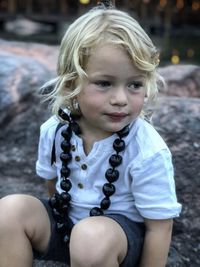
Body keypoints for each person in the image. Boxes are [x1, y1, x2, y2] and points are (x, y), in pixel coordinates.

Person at [0, 1, 182, 267]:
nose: (120, 99)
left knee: (90, 239)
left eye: (134, 85)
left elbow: (160, 228)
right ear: (72, 82)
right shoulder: (54, 131)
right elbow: (53, 186)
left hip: (116, 243)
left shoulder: (147, 149)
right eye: (104, 83)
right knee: (8, 211)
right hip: (67, 231)